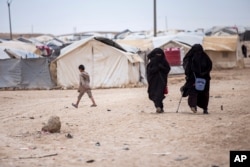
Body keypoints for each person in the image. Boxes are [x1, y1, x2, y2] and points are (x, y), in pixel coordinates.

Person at [181, 44, 212, 114]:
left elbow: (209, 66)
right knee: (193, 93)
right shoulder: (189, 58)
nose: (198, 53)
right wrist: (190, 71)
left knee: (204, 94)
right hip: (193, 78)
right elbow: (186, 67)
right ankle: (193, 106)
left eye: (199, 51)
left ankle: (205, 108)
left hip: (204, 79)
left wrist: (204, 73)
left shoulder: (205, 57)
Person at [146, 48, 171, 113]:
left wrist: (161, 67)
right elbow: (149, 71)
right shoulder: (151, 61)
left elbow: (167, 69)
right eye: (157, 54)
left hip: (161, 81)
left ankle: (158, 107)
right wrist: (156, 68)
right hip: (153, 81)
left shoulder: (164, 61)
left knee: (159, 94)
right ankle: (160, 107)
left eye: (160, 54)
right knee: (153, 94)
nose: (159, 56)